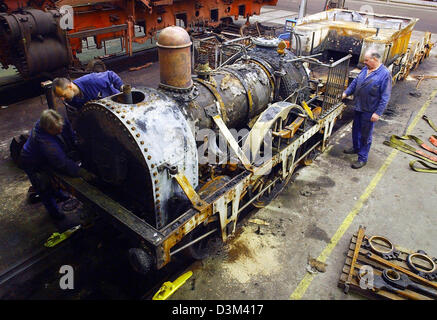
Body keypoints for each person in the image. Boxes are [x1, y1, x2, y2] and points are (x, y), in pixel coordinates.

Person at [20, 110, 95, 220]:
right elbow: (61, 162)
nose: (60, 130)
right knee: (43, 187)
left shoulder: (58, 121)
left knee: (54, 183)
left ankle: (59, 194)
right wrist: (82, 172)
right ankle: (55, 213)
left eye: (60, 127)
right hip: (32, 161)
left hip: (46, 157)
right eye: (56, 130)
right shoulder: (44, 140)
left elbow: (71, 135)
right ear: (47, 129)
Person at [342, 50, 392, 169]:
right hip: (359, 106)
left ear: (375, 59)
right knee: (356, 129)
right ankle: (356, 147)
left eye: (366, 60)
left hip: (370, 110)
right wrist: (346, 93)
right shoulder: (366, 69)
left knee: (365, 135)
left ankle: (362, 158)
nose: (364, 62)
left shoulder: (385, 75)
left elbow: (385, 97)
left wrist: (377, 113)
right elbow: (355, 83)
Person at [52, 70, 124, 125]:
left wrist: (122, 87)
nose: (62, 99)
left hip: (118, 105)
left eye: (63, 95)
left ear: (70, 87)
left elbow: (110, 75)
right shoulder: (71, 100)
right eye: (60, 97)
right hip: (104, 116)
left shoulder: (92, 80)